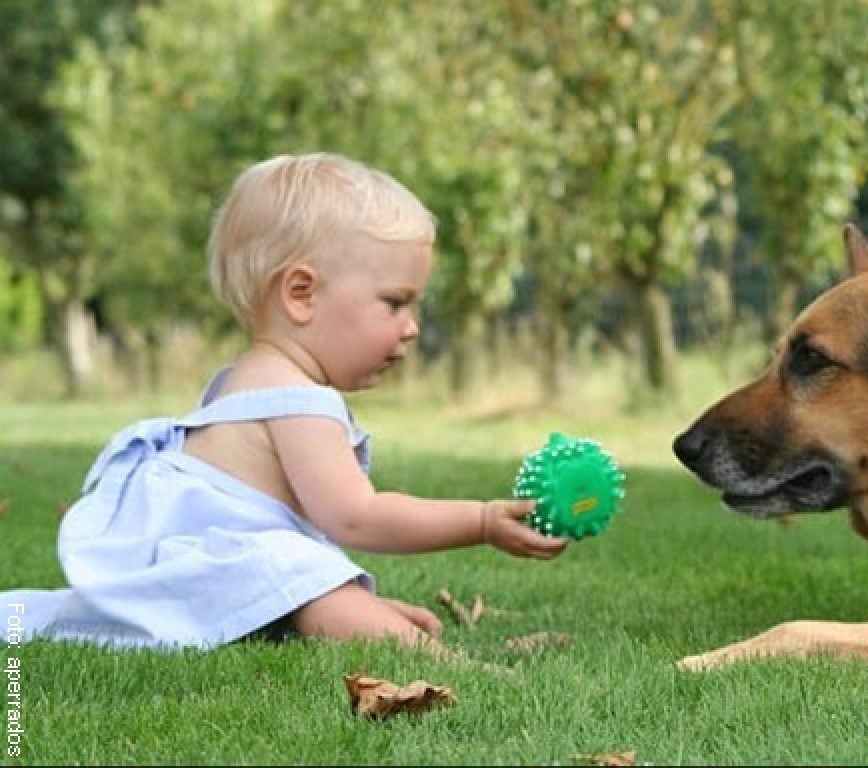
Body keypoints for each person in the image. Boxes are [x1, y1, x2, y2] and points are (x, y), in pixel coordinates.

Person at [3, 152, 568, 658]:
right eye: (394, 303)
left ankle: (356, 615)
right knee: (303, 576)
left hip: (202, 571)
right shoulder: (301, 400)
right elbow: (354, 517)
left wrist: (354, 599)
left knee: (310, 577)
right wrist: (482, 519)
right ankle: (447, 663)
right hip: (219, 566)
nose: (413, 328)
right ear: (301, 294)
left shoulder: (244, 379)